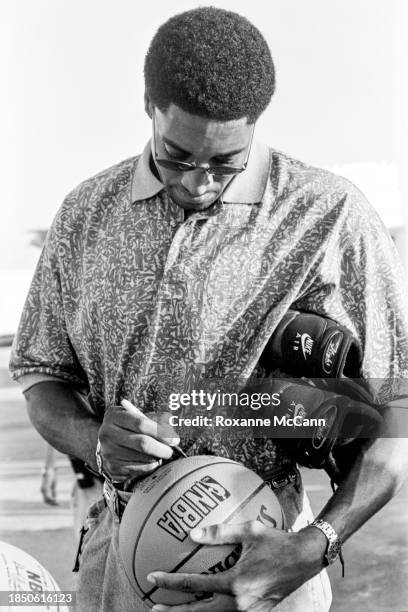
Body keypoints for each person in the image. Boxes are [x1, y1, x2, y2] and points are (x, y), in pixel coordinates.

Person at [9, 7, 408, 612]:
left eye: (226, 161)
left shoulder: (329, 217)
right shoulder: (84, 215)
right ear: (148, 103)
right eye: (177, 155)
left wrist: (316, 543)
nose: (198, 181)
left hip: (269, 556)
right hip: (120, 555)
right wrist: (94, 442)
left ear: (256, 123)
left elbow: (398, 405)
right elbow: (43, 377)